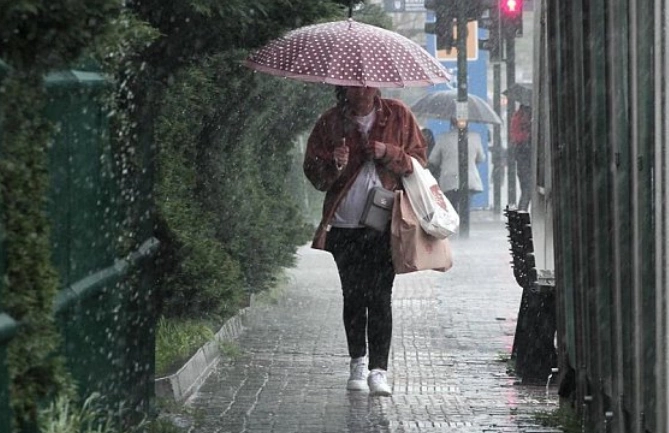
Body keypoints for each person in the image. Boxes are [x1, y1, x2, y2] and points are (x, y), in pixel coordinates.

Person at [303, 86, 427, 397]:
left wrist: (390, 154)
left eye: (367, 83)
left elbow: (419, 163)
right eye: (355, 85)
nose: (362, 90)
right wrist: (334, 163)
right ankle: (357, 363)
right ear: (343, 89)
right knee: (354, 296)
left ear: (376, 86)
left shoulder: (398, 114)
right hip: (344, 226)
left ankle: (379, 371)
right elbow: (315, 176)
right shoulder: (330, 122)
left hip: (385, 224)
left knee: (380, 296)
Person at [428, 119, 485, 214]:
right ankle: (464, 226)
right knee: (465, 209)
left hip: (448, 179)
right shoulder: (475, 137)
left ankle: (455, 224)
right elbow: (481, 158)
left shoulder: (443, 138)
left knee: (451, 209)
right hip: (469, 179)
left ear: (451, 123)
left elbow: (433, 159)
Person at [510, 104, 532, 211]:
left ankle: (521, 215)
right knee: (527, 191)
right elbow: (518, 137)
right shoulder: (521, 118)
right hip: (525, 156)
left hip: (522, 157)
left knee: (526, 190)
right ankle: (521, 215)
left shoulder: (517, 116)